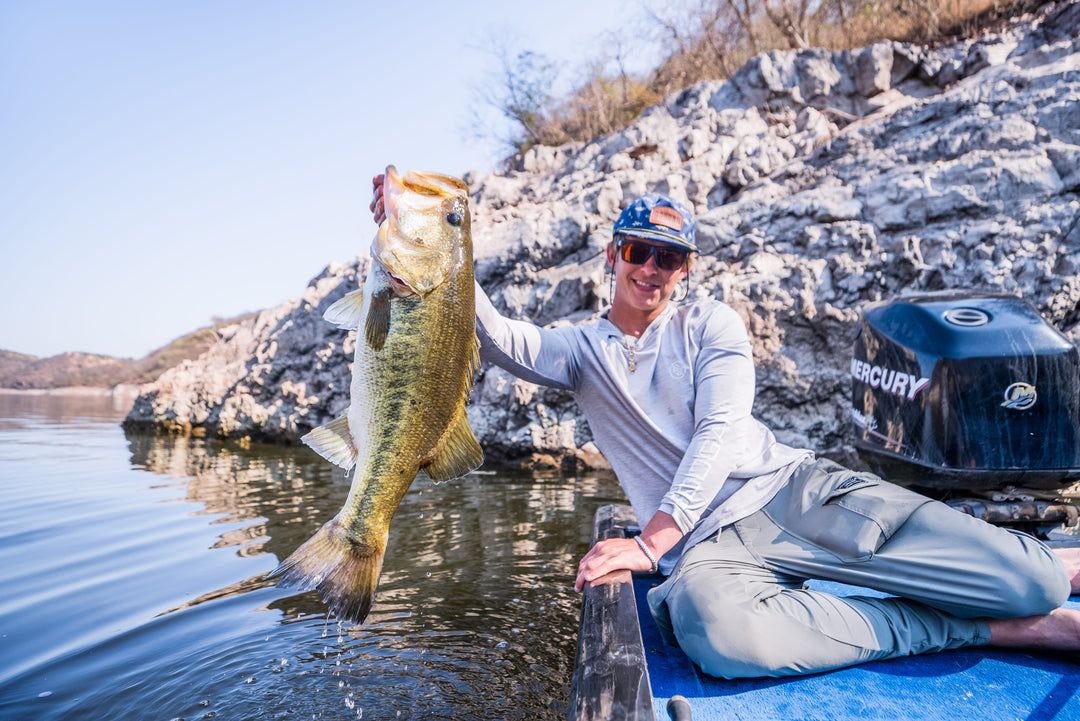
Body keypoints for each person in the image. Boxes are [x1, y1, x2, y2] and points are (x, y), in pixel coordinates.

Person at [371, 175, 1080, 678]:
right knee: (720, 635)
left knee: (1035, 581)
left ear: (684, 270)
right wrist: (412, 230)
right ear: (613, 255)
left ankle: (1046, 577)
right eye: (638, 251)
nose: (651, 268)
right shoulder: (579, 351)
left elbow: (719, 430)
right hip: (708, 545)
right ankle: (988, 629)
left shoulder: (712, 323)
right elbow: (491, 334)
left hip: (791, 490)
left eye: (669, 257)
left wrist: (651, 541)